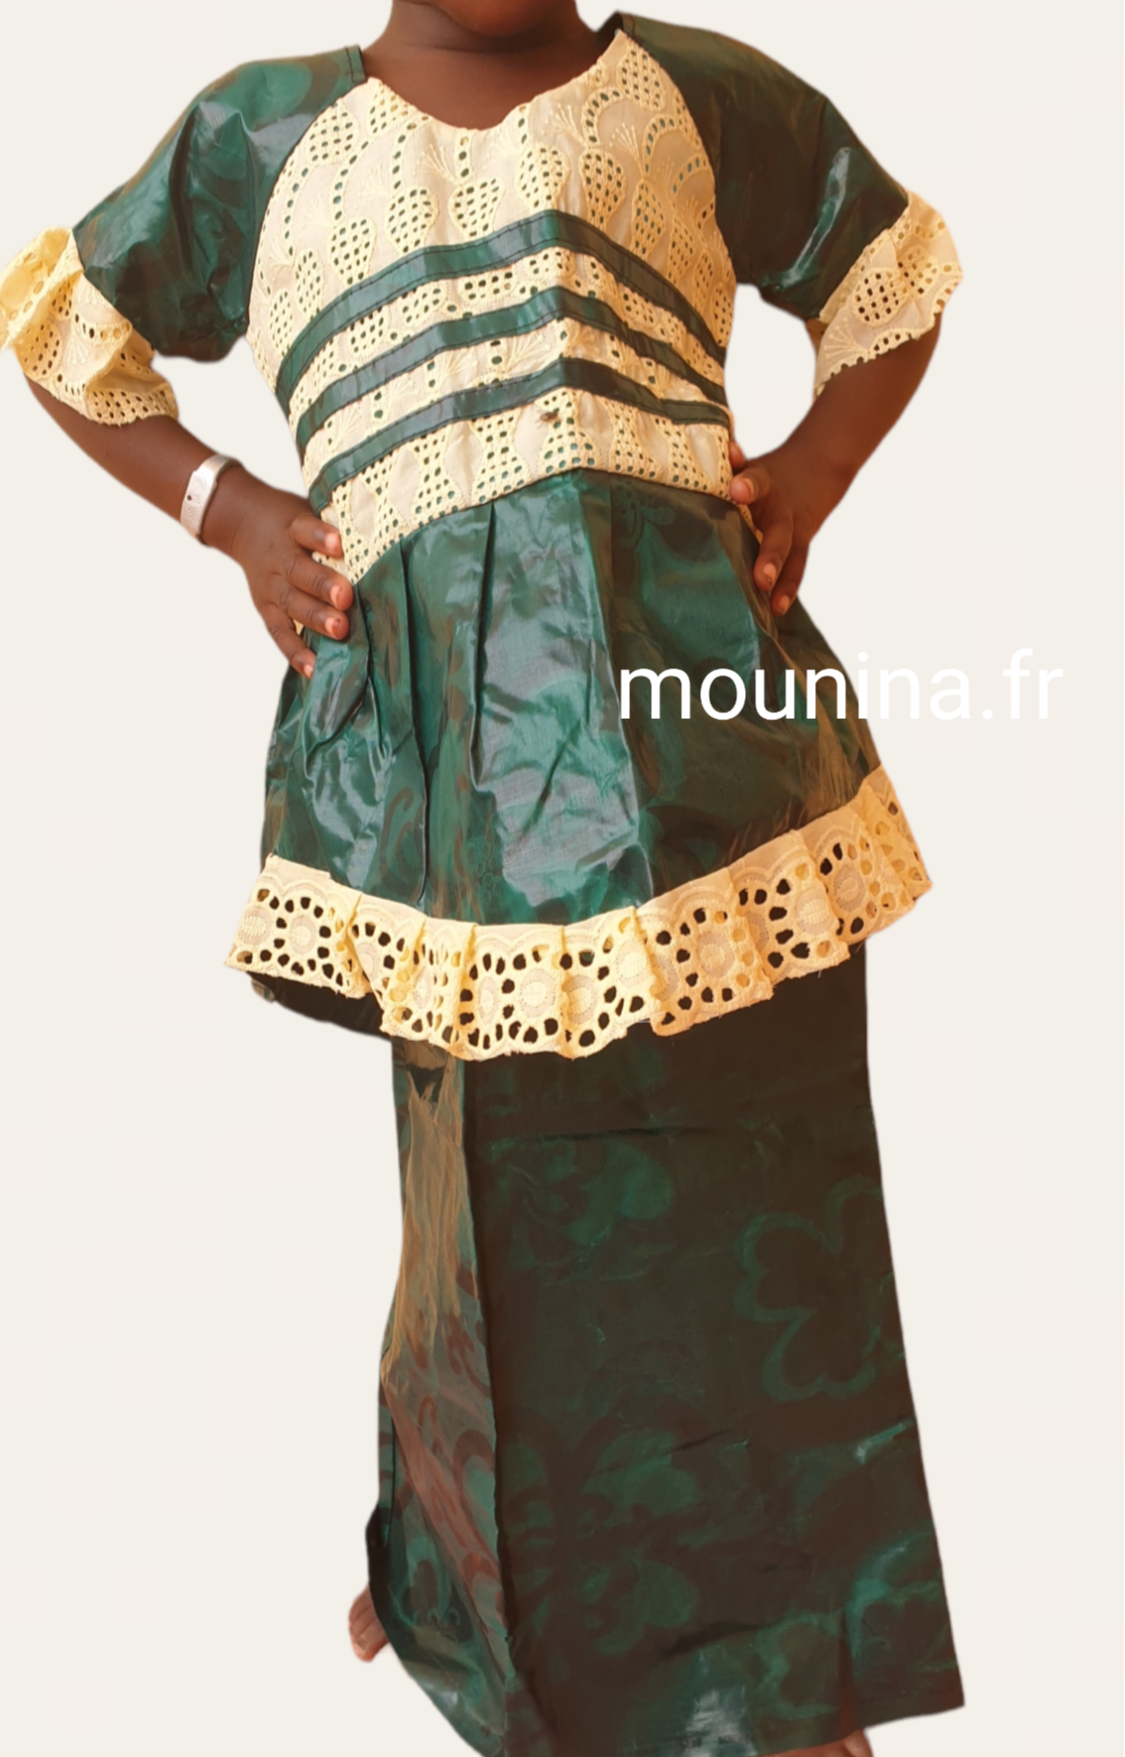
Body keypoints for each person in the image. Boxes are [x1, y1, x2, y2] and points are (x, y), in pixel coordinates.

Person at [0, 4, 965, 1752]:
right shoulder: (263, 135)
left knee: (758, 1182)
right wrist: (230, 510)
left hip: (715, 768)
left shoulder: (682, 91)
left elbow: (887, 270)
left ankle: (784, 1668)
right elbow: (71, 330)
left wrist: (814, 469)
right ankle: (471, 1572)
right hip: (458, 792)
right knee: (494, 1204)